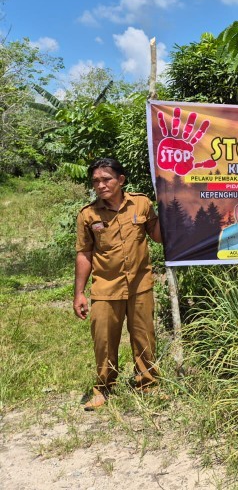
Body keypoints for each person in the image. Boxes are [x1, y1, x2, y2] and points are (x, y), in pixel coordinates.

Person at [73, 158, 162, 411]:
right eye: (96, 181)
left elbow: (158, 237)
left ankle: (148, 384)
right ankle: (103, 388)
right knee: (103, 341)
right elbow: (84, 254)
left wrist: (170, 210)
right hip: (105, 288)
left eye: (106, 179)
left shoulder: (142, 203)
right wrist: (78, 293)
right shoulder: (88, 214)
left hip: (140, 285)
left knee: (144, 338)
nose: (101, 185)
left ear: (121, 180)